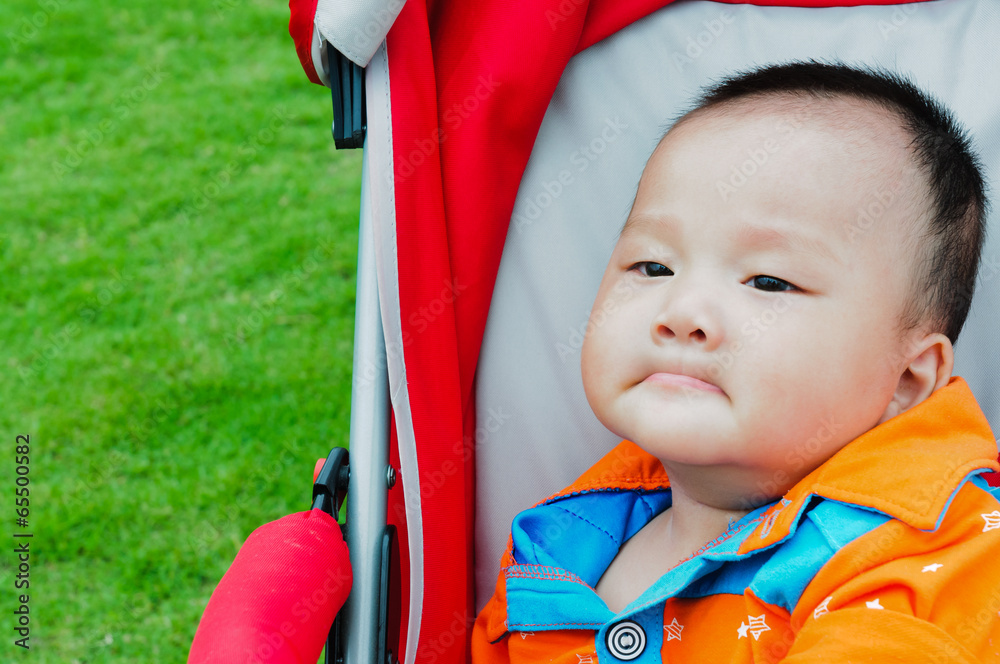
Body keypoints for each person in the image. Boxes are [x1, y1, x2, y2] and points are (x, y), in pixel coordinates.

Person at [472, 61, 1000, 663]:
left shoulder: (921, 558)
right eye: (653, 267)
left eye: (769, 282)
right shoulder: (557, 549)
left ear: (907, 380)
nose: (681, 311)